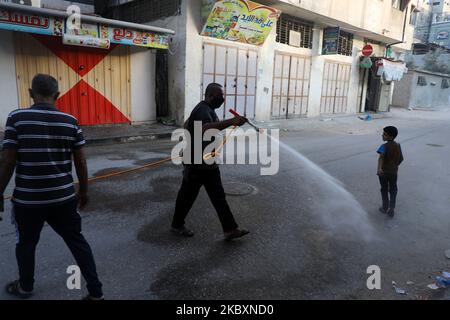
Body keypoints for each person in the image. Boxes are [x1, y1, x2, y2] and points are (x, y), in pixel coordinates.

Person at [0, 74, 103, 300]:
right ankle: (96, 292)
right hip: (63, 199)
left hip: (28, 202)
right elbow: (81, 162)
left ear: (30, 93)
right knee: (77, 241)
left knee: (26, 244)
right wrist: (84, 191)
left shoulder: (17, 118)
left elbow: (8, 161)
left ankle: (26, 287)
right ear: (57, 96)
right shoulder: (70, 121)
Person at [171, 83, 250, 241]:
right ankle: (177, 225)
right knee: (187, 197)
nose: (222, 99)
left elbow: (188, 124)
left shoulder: (206, 110)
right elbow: (205, 128)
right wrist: (231, 121)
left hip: (207, 163)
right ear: (211, 96)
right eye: (220, 96)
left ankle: (230, 229)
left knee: (218, 197)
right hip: (197, 165)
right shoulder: (202, 110)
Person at [377, 126, 404, 218]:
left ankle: (385, 207)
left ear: (390, 137)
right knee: (393, 190)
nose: (382, 135)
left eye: (384, 134)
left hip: (383, 173)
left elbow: (381, 158)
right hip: (393, 173)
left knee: (384, 189)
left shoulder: (383, 146)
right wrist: (394, 166)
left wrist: (379, 169)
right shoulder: (398, 146)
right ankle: (392, 208)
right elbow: (401, 159)